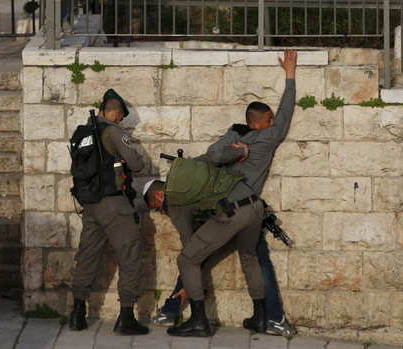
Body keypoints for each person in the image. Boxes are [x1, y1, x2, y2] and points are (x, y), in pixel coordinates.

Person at [145, 49, 298, 337]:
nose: (275, 120)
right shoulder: (267, 138)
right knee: (250, 256)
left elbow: (210, 156)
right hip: (254, 209)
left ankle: (197, 319)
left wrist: (234, 148)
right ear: (262, 121)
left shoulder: (242, 136)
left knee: (189, 257)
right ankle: (263, 317)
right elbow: (287, 112)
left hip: (230, 209)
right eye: (270, 118)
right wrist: (290, 76)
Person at [68, 89, 150, 336]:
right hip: (113, 205)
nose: (120, 121)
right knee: (131, 254)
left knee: (88, 256)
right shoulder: (113, 132)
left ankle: (77, 313)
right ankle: (126, 316)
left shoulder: (82, 133)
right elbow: (137, 164)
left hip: (90, 204)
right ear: (114, 112)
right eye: (120, 117)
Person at [152, 228, 297, 336]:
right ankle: (274, 319)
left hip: (221, 217)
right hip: (248, 213)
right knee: (258, 261)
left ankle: (170, 310)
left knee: (192, 256)